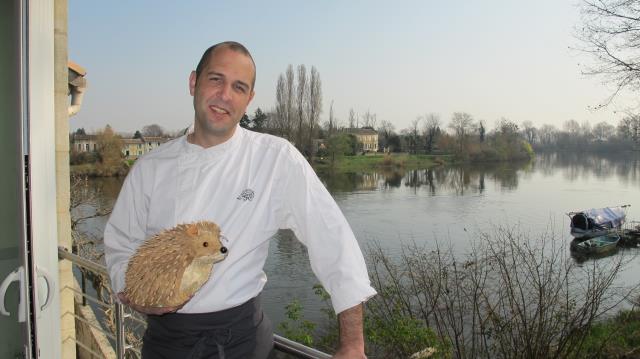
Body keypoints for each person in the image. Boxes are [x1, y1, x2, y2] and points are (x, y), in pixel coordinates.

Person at [104, 41, 377, 359]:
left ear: (249, 99)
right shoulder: (149, 167)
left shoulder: (275, 158)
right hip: (167, 345)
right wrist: (136, 293)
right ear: (194, 82)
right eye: (215, 79)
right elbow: (120, 246)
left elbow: (334, 241)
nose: (225, 95)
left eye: (239, 87)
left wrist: (353, 344)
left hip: (244, 344)